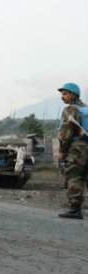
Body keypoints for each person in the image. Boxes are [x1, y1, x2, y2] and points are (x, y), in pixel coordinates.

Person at [56, 82, 87, 219]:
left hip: (77, 147)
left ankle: (75, 210)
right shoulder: (86, 109)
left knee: (73, 175)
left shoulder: (71, 110)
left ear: (73, 95)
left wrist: (62, 150)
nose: (63, 97)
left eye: (65, 94)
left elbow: (66, 133)